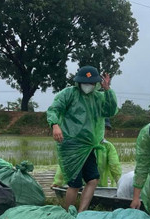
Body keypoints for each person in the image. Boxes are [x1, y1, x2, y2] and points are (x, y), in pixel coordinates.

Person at [46, 66, 118, 211]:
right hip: (70, 144)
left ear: (96, 84)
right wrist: (55, 125)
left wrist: (108, 90)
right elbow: (54, 109)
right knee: (74, 183)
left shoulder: (98, 97)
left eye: (91, 83)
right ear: (78, 82)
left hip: (88, 146)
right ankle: (68, 212)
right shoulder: (69, 94)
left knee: (93, 179)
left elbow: (110, 110)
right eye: (85, 83)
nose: (88, 86)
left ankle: (81, 212)